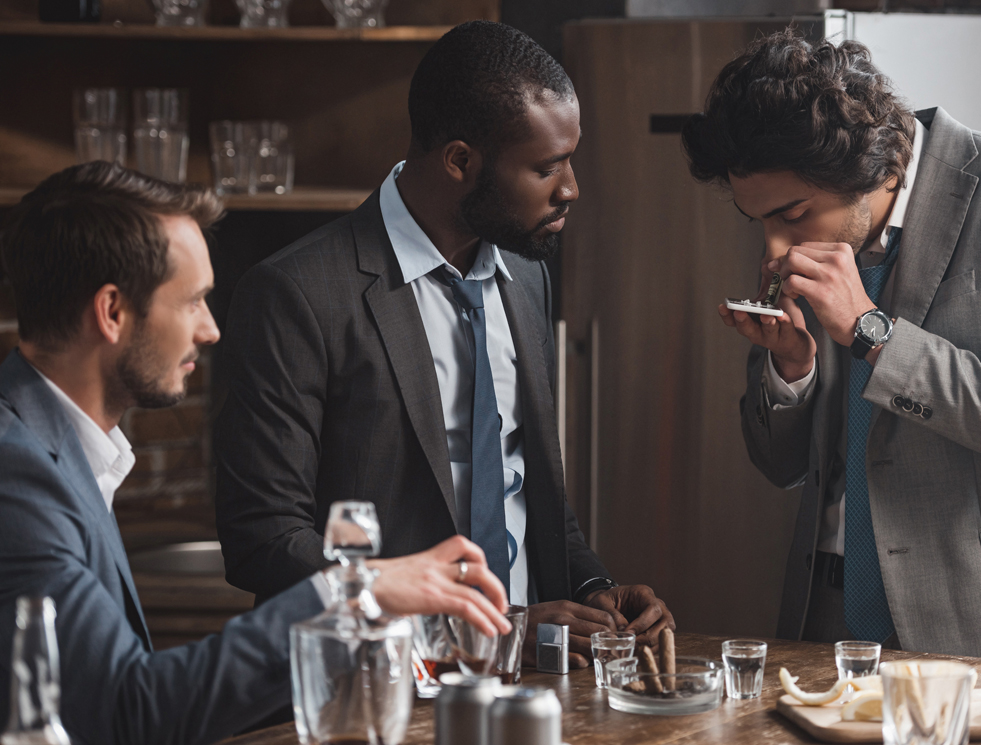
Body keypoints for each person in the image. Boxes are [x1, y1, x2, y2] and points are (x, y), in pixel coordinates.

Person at [213, 20, 673, 669]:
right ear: (459, 160)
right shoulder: (296, 293)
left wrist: (595, 591)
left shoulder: (526, 278)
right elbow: (263, 539)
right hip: (368, 688)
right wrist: (483, 627)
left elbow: (527, 491)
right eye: (546, 166)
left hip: (530, 687)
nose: (570, 188)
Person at [0, 162, 511, 745]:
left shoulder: (53, 452)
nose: (210, 329)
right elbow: (129, 710)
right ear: (112, 312)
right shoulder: (17, 476)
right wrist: (356, 590)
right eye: (192, 301)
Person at [682, 31, 981, 670]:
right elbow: (781, 467)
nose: (775, 247)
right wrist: (793, 369)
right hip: (829, 625)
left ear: (872, 169)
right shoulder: (800, 215)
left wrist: (873, 334)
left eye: (791, 214)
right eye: (760, 221)